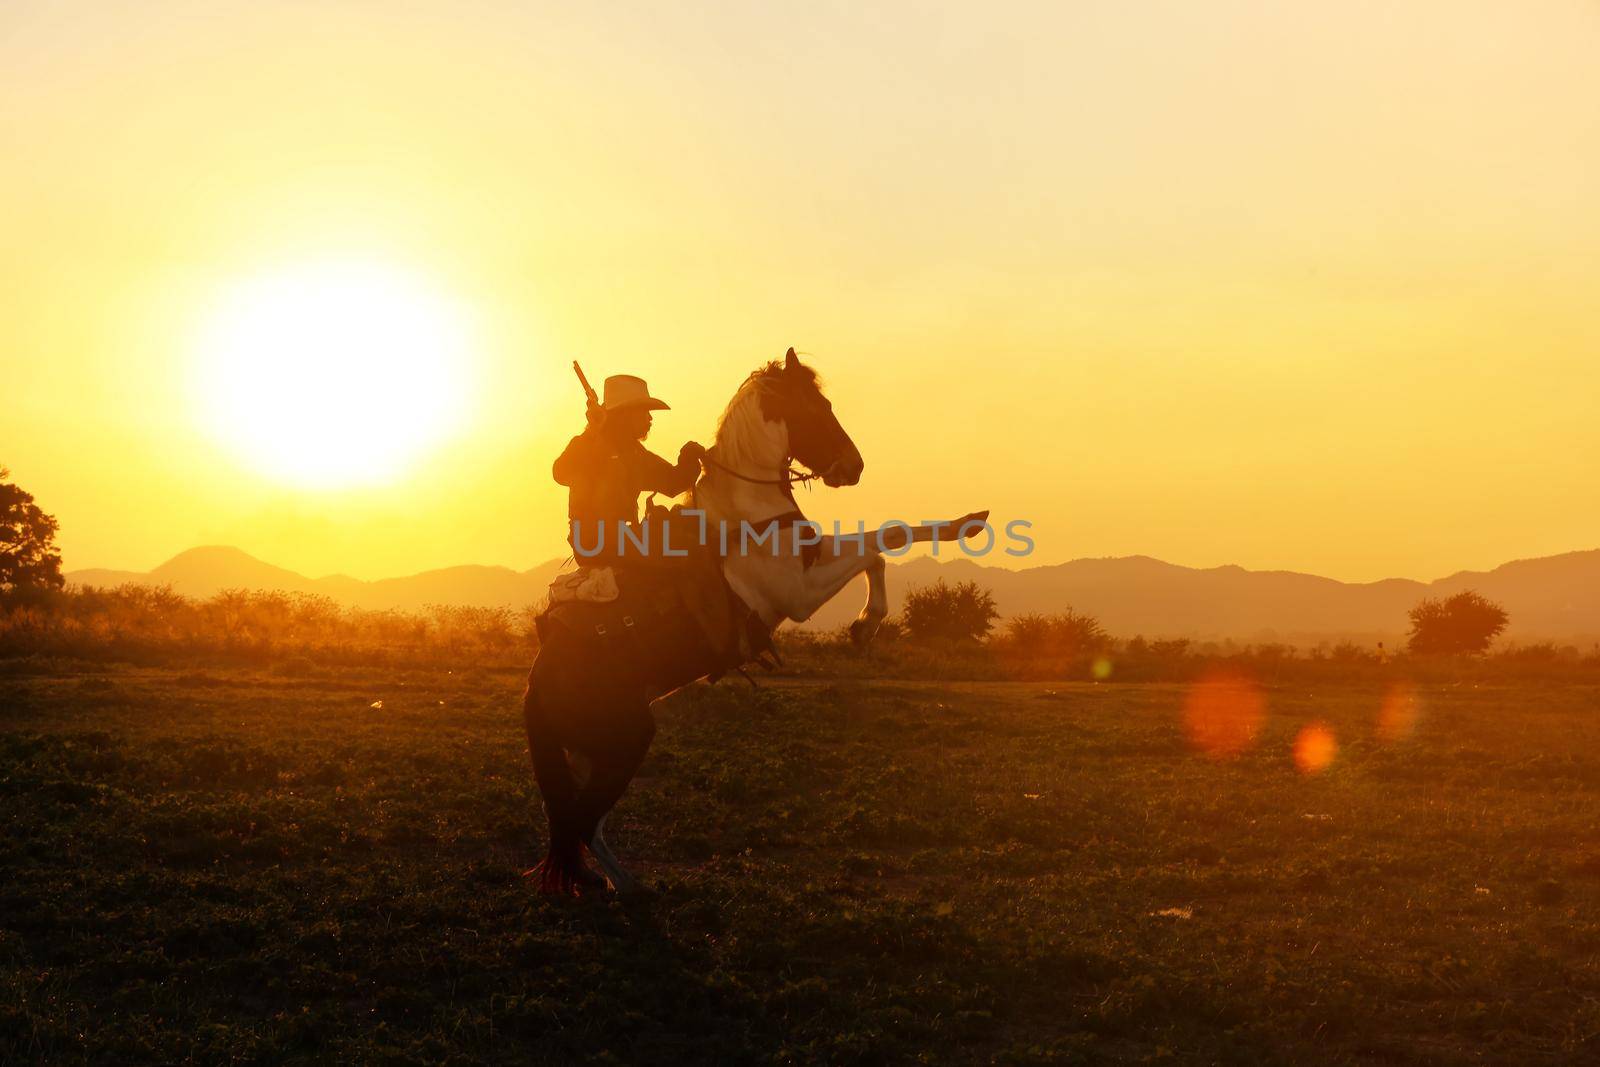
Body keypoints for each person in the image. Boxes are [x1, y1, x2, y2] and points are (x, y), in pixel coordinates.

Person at [553, 374, 705, 564]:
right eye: (644, 411)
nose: (650, 418)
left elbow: (672, 481)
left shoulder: (634, 453)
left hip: (619, 539)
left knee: (686, 536)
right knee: (685, 549)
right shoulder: (591, 445)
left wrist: (689, 459)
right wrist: (591, 432)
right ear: (625, 414)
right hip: (596, 542)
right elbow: (560, 471)